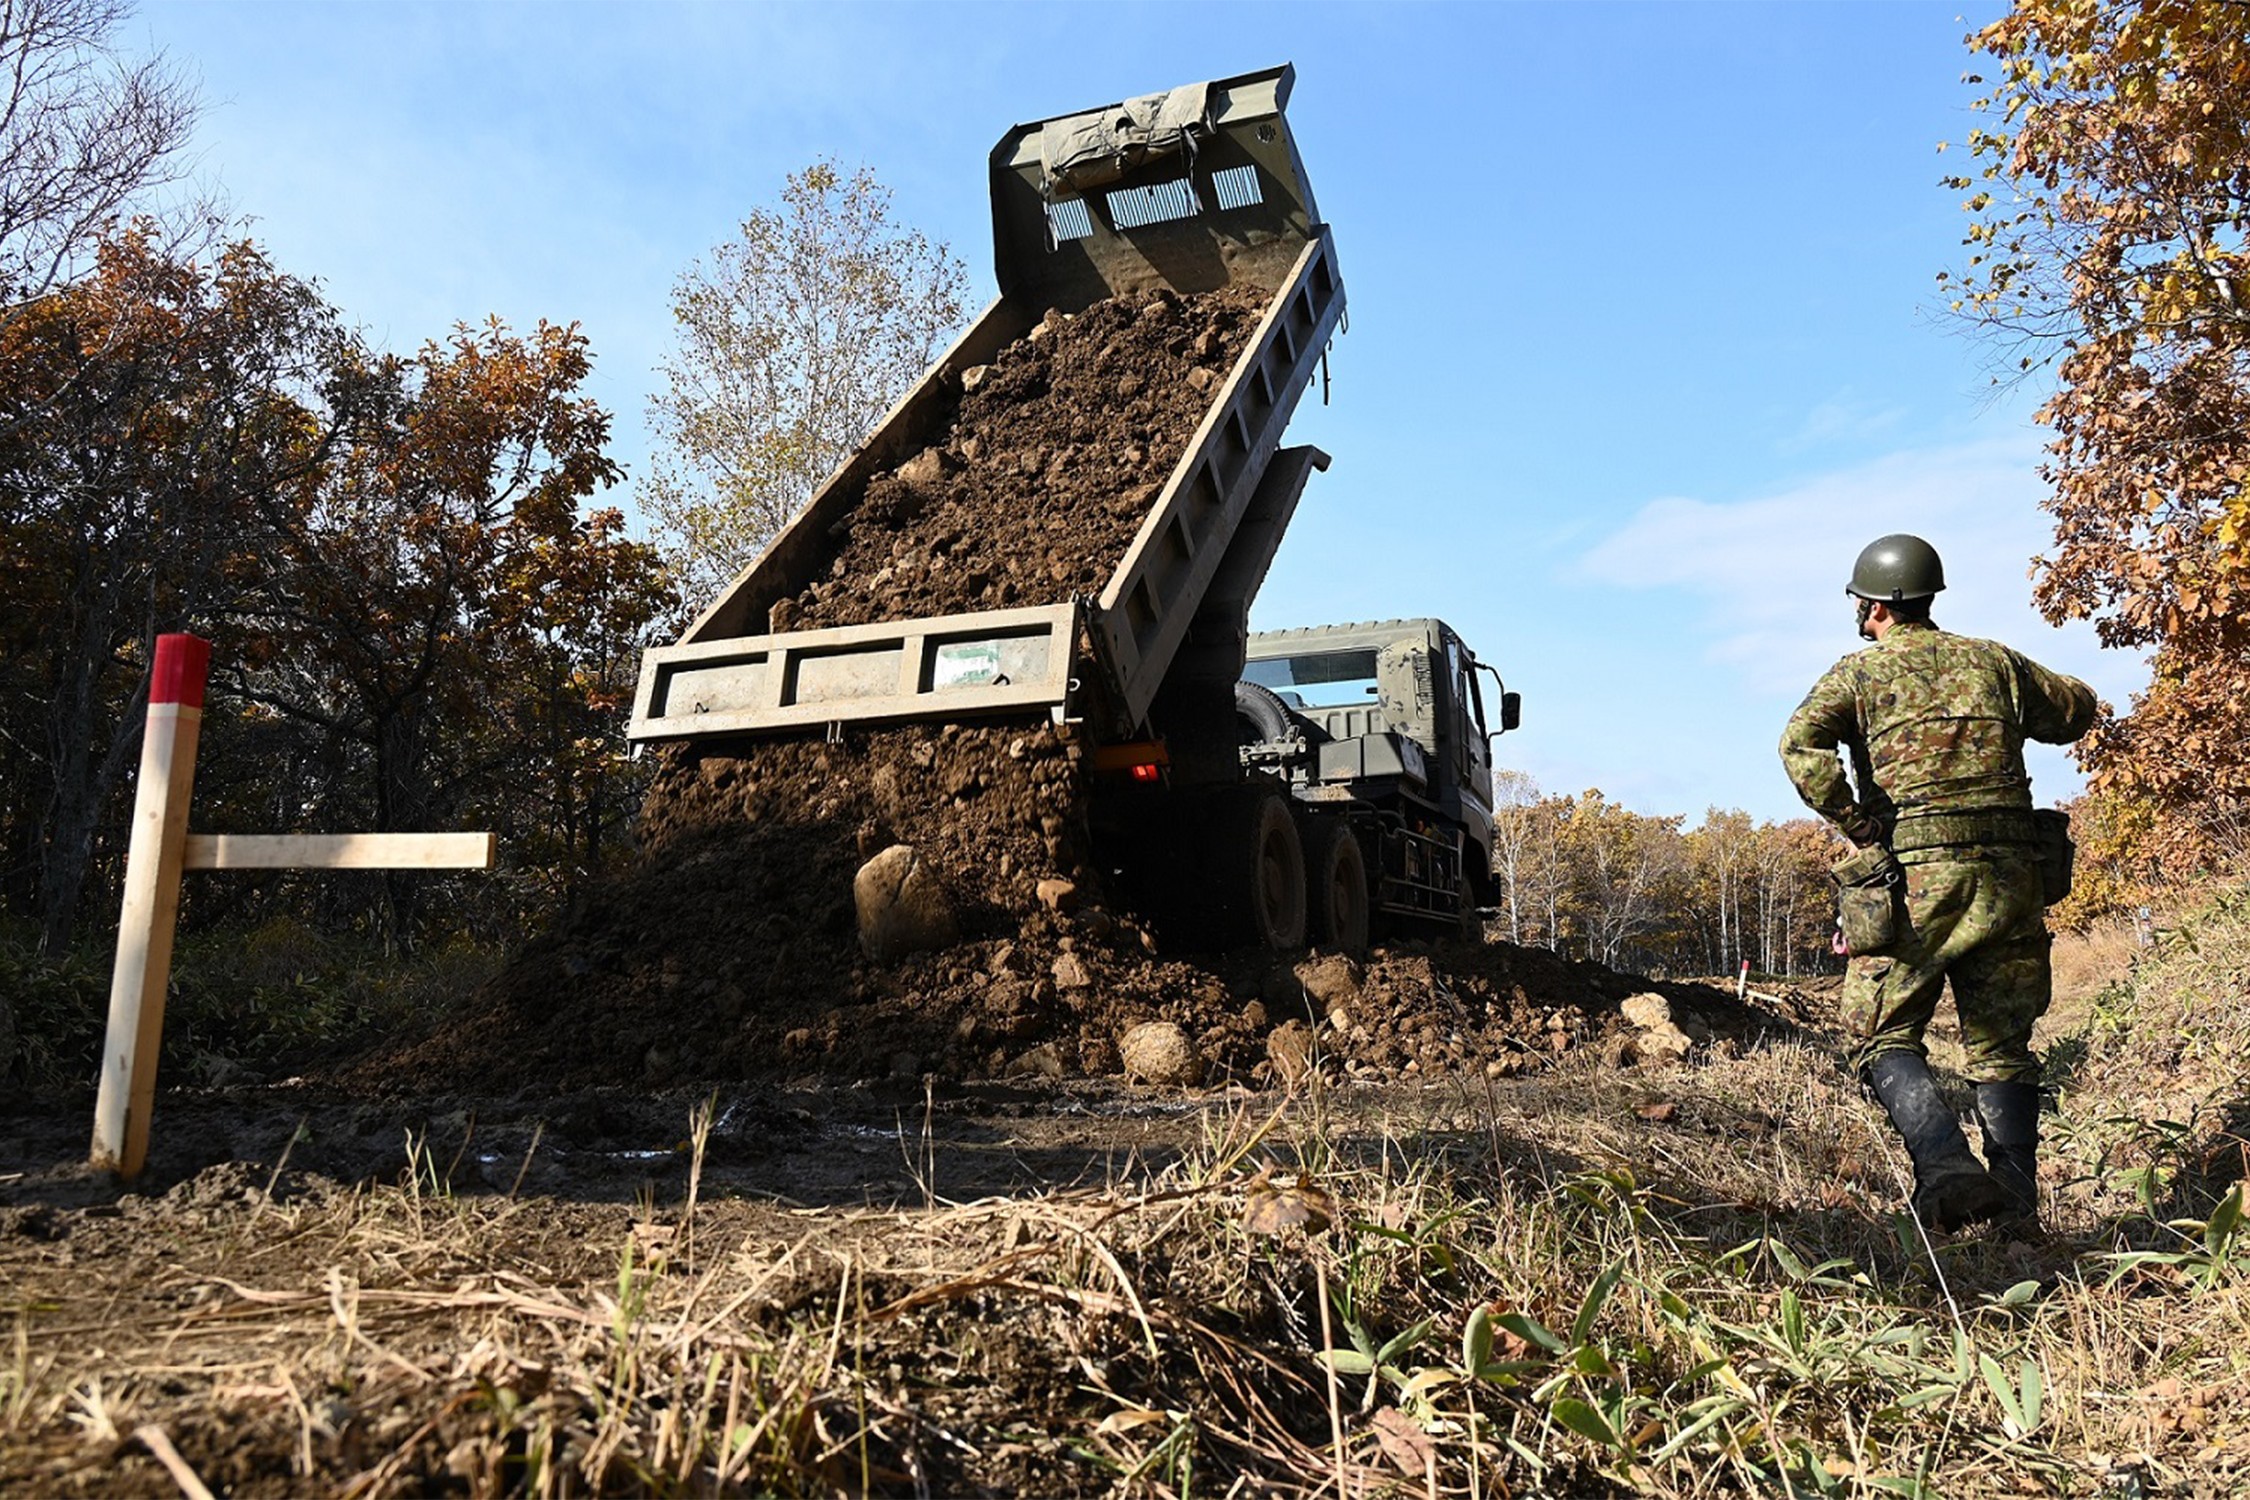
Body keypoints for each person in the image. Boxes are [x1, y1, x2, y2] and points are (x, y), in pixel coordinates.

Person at [1780, 534, 2096, 1231]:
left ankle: (1946, 1167)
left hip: (1914, 883)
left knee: (1881, 1033)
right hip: (2010, 876)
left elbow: (1799, 745)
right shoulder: (1996, 661)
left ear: (1873, 606)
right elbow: (2075, 711)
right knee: (2003, 1046)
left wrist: (1858, 826)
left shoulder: (1858, 675)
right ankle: (2015, 1207)